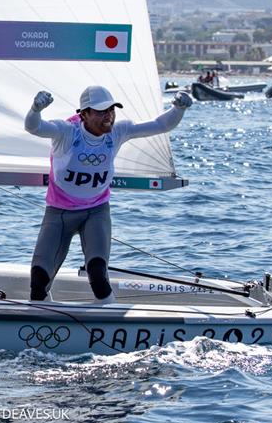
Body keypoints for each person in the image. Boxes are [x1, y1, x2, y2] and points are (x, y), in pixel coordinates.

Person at [25, 85, 192, 304]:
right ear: (83, 114)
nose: (109, 116)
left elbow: (161, 125)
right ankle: (42, 316)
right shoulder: (66, 131)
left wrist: (178, 109)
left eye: (111, 110)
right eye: (101, 111)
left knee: (98, 276)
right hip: (59, 213)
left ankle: (108, 312)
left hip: (95, 212)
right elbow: (34, 127)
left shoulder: (117, 132)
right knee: (38, 281)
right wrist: (36, 109)